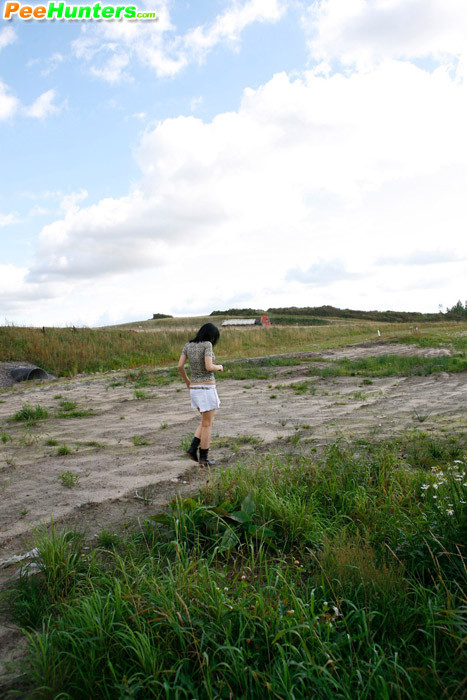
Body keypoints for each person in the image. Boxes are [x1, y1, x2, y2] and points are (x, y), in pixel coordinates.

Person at [178, 323, 223, 466]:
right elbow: (209, 366)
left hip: (195, 389)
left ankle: (192, 449)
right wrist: (219, 367)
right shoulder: (207, 345)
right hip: (207, 388)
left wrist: (187, 381)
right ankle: (204, 459)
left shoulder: (188, 345)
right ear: (211, 336)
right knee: (208, 424)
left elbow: (180, 366)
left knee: (205, 422)